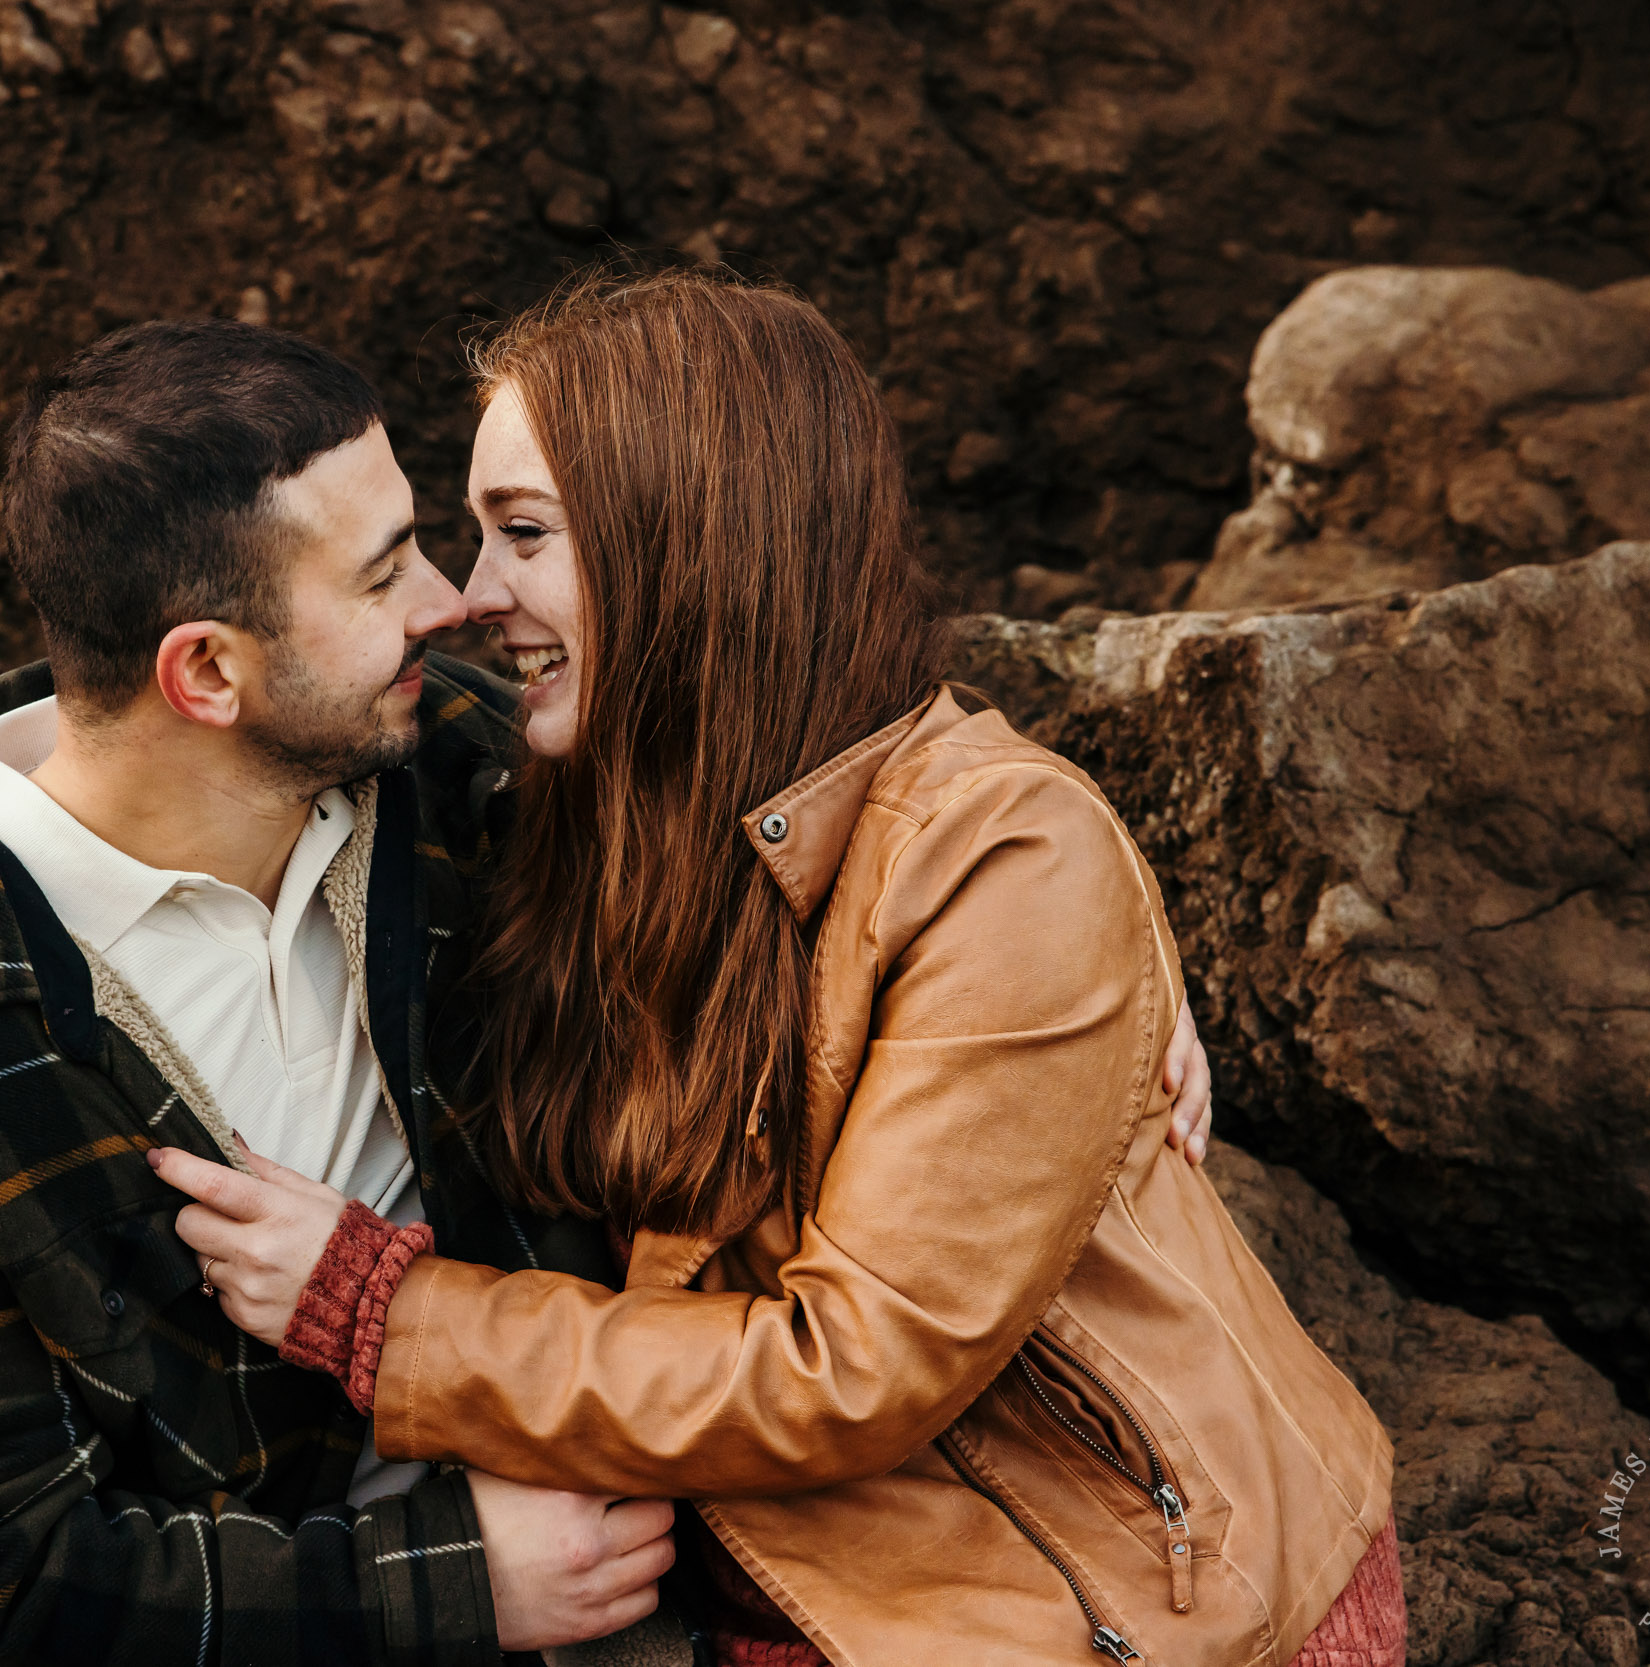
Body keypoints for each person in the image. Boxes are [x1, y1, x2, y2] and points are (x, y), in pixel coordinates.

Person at [154, 270, 1401, 1667]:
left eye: (522, 534)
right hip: (773, 1572)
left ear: (688, 543)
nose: (466, 598)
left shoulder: (1004, 863)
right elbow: (179, 694)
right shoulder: (580, 790)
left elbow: (850, 1372)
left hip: (1095, 1598)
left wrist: (380, 1310)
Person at [0, 320, 685, 1666]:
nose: (448, 603)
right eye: (384, 575)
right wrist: (459, 1584)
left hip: (556, 1528)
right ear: (208, 672)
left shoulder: (471, 786)